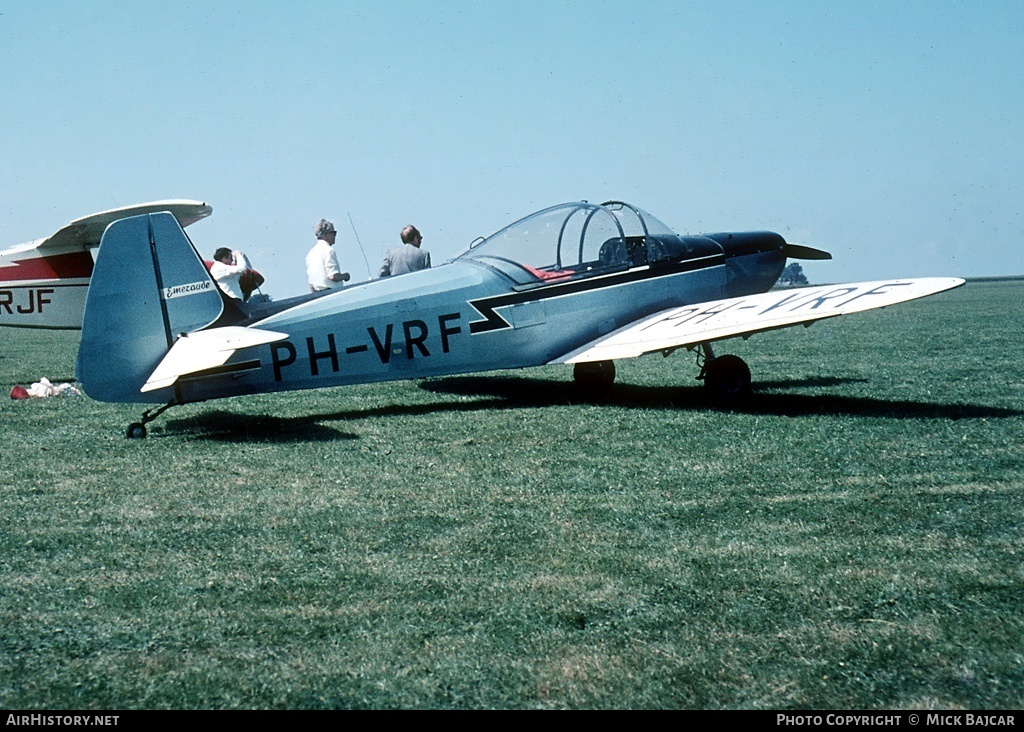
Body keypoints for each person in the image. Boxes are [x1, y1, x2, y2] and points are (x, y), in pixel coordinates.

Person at [306, 218, 351, 291]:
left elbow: (311, 285)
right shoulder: (328, 251)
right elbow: (332, 276)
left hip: (318, 295)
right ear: (327, 234)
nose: (335, 236)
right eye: (334, 233)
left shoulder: (310, 254)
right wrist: (346, 276)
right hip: (332, 292)